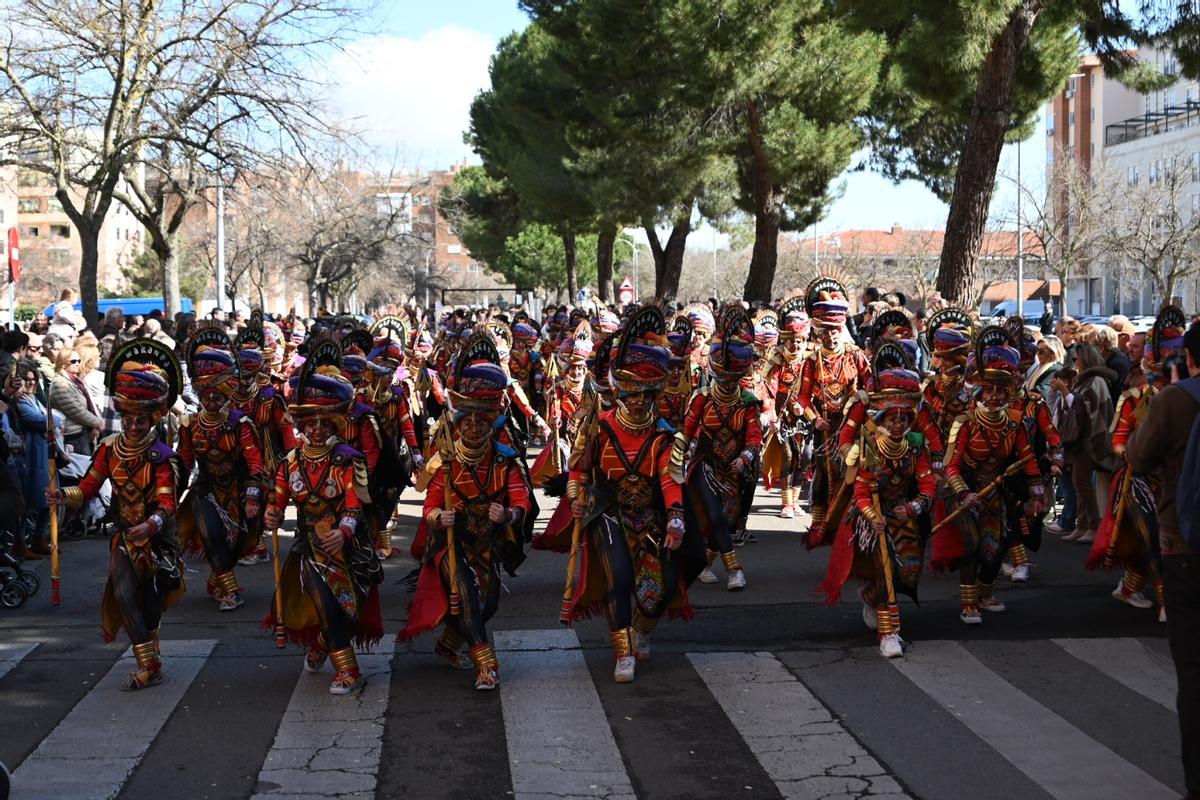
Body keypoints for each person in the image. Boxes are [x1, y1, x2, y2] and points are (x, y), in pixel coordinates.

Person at [47, 339, 186, 690]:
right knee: (123, 594)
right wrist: (62, 494)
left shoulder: (163, 457)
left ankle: (150, 645)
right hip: (124, 539)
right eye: (128, 418)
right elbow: (89, 488)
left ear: (153, 418)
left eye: (142, 419)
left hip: (158, 543)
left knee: (150, 608)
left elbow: (168, 506)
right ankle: (148, 663)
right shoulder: (109, 449)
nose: (134, 425)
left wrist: (150, 525)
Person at [399, 331, 530, 691]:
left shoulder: (506, 462)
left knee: (487, 606)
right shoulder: (444, 461)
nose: (473, 428)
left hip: (486, 545)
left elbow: (522, 503)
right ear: (457, 424)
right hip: (449, 543)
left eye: (481, 423)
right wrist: (438, 517)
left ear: (492, 425)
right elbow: (428, 504)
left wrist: (506, 515)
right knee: (469, 596)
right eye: (467, 423)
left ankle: (448, 645)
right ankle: (487, 666)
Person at [263, 336, 382, 695]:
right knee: (323, 601)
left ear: (334, 423)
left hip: (345, 548)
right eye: (310, 422)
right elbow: (279, 498)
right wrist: (270, 514)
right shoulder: (291, 462)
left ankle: (322, 644)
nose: (316, 428)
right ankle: (347, 668)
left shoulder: (348, 458)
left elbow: (354, 506)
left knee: (339, 607)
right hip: (308, 546)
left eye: (323, 422)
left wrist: (344, 532)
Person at [1126, 320, 1200, 800]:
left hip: (1187, 545)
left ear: (1190, 358)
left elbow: (1137, 455)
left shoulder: (1176, 400)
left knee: (1194, 670)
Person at [818, 368, 935, 658]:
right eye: (891, 418)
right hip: (871, 517)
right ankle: (889, 633)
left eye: (903, 418)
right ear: (880, 419)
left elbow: (928, 483)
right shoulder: (869, 447)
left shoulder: (915, 448)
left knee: (907, 573)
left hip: (904, 514)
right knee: (884, 572)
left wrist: (914, 507)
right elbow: (860, 490)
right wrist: (873, 517)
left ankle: (869, 597)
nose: (897, 423)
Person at [939, 328, 1045, 624]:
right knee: (972, 543)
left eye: (1002, 390)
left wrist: (1037, 492)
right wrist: (963, 493)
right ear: (979, 391)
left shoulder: (1015, 423)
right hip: (963, 491)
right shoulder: (965, 422)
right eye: (989, 389)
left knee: (996, 546)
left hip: (997, 491)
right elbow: (951, 466)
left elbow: (1027, 458)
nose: (996, 396)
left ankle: (986, 592)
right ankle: (968, 601)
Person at [176, 326, 265, 612]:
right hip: (206, 490)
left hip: (239, 491)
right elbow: (185, 461)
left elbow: (254, 462)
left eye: (217, 398)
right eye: (206, 398)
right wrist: (169, 488)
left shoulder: (240, 424)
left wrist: (252, 496)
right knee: (213, 535)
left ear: (227, 395)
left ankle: (218, 580)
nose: (211, 403)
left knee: (237, 543)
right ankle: (230, 590)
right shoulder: (190, 426)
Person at [674, 304, 760, 590]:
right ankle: (735, 570)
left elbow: (754, 439)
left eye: (730, 380)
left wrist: (745, 458)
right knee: (712, 513)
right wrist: (677, 454)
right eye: (720, 380)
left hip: (734, 467)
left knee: (725, 518)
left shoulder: (747, 403)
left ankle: (705, 561)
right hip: (706, 464)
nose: (724, 386)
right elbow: (686, 431)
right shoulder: (702, 399)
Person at [795, 278, 870, 548]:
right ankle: (821, 525)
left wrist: (860, 407)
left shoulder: (855, 355)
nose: (832, 335)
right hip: (825, 426)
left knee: (852, 472)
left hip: (853, 426)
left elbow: (871, 386)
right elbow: (801, 397)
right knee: (824, 474)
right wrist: (814, 418)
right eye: (826, 330)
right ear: (818, 331)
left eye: (836, 329)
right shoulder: (811, 360)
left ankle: (851, 522)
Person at [1061, 344, 1117, 545]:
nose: (1074, 362)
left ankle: (1093, 526)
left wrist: (1064, 391)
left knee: (1082, 483)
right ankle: (1082, 525)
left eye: (1076, 359)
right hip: (1081, 439)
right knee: (1079, 484)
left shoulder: (1095, 380)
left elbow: (1083, 408)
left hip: (1089, 438)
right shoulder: (1085, 379)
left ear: (1085, 359)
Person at [49, 347, 102, 456]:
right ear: (63, 364)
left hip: (80, 433)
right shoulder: (60, 384)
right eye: (74, 361)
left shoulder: (72, 380)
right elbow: (76, 410)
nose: (78, 363)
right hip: (72, 437)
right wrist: (97, 423)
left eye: (79, 360)